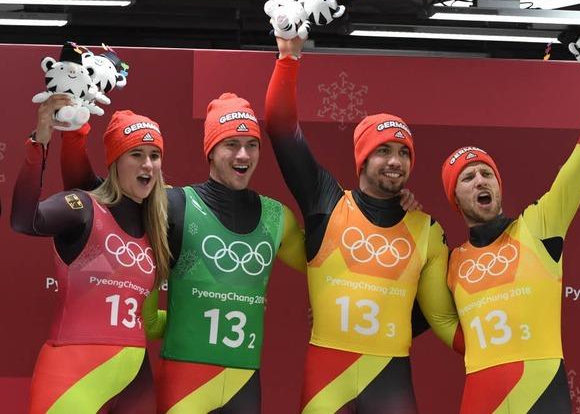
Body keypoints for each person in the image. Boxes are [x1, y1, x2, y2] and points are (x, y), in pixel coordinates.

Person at [60, 93, 308, 413]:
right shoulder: (173, 204)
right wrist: (73, 138)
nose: (243, 154)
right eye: (231, 144)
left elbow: (327, 263)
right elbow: (95, 197)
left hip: (244, 382)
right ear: (211, 150)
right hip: (184, 378)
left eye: (252, 144)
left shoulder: (277, 217)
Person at [264, 36, 449, 413]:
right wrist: (289, 57)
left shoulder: (426, 228)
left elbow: (438, 315)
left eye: (403, 153)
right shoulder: (326, 201)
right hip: (327, 381)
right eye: (383, 150)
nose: (395, 161)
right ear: (362, 159)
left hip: (390, 381)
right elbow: (281, 128)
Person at [435, 70, 580, 413]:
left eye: (487, 173)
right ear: (455, 198)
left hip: (543, 394)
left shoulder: (537, 227)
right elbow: (441, 320)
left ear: (499, 185)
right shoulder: (450, 261)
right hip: (480, 398)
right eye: (468, 177)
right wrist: (482, 349)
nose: (481, 180)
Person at [11, 93, 169, 414]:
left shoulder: (157, 224)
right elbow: (24, 220)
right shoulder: (84, 206)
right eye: (136, 154)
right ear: (114, 161)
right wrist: (41, 140)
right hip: (72, 372)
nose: (147, 164)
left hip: (134, 376)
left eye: (154, 155)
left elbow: (152, 320)